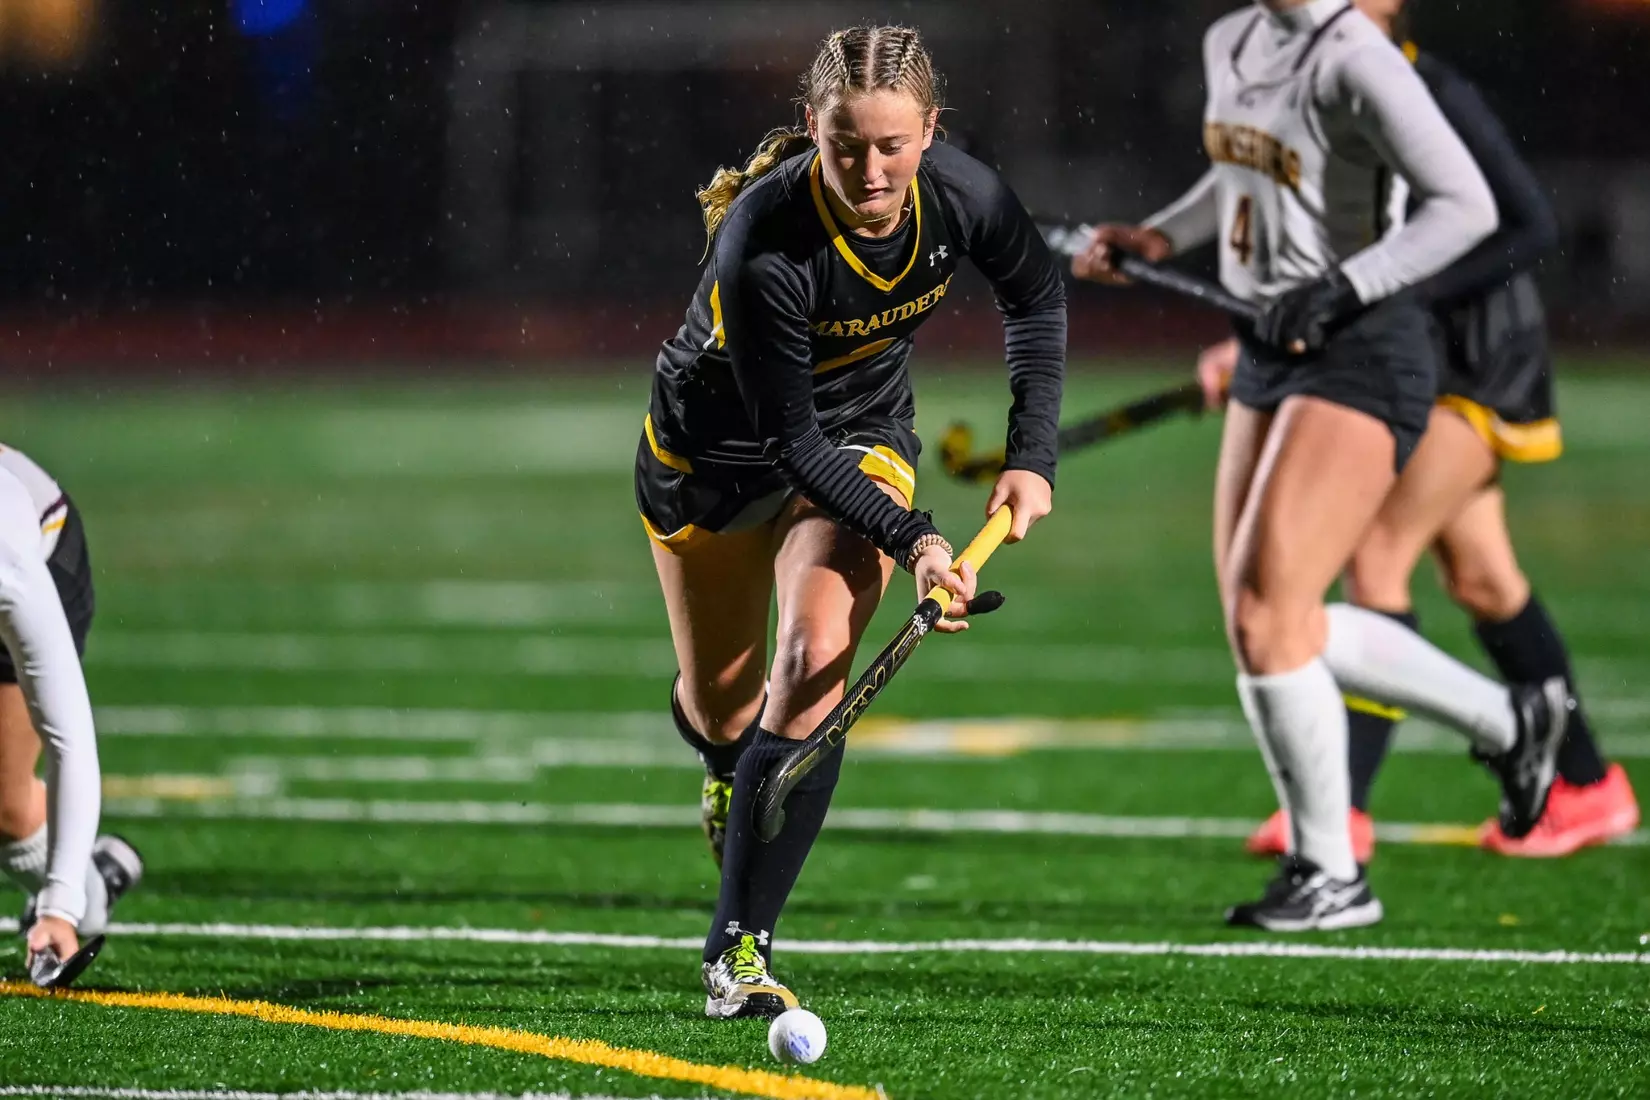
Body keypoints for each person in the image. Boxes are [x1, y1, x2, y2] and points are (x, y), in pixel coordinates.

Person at [1073, 0, 1569, 932]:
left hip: (1362, 347)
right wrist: (1161, 234)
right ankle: (1511, 721)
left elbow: (1470, 206)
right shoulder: (1233, 38)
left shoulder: (1356, 57)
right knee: (1263, 620)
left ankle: (1332, 871)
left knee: (1271, 616)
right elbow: (1246, 175)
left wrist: (1347, 286)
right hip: (1270, 343)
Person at [641, 25, 1065, 1015]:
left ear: (931, 130)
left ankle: (737, 950)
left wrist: (1031, 456)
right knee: (723, 708)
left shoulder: (963, 196)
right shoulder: (765, 241)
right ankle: (725, 760)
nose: (871, 172)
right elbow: (790, 442)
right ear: (812, 127)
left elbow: (1037, 296)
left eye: (892, 145)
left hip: (863, 433)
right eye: (846, 146)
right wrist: (917, 538)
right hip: (714, 462)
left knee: (814, 657)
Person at [1200, 0, 1638, 863]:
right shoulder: (1307, 77)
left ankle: (1344, 814)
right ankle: (1588, 786)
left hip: (1471, 359)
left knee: (1376, 558)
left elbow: (1526, 222)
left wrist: (1379, 298)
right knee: (1484, 578)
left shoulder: (1418, 84)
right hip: (1405, 346)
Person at [0, 443, 143, 983]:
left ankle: (88, 890)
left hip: (46, 541)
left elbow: (70, 739)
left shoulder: (10, 571)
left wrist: (59, 907)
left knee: (6, 808)